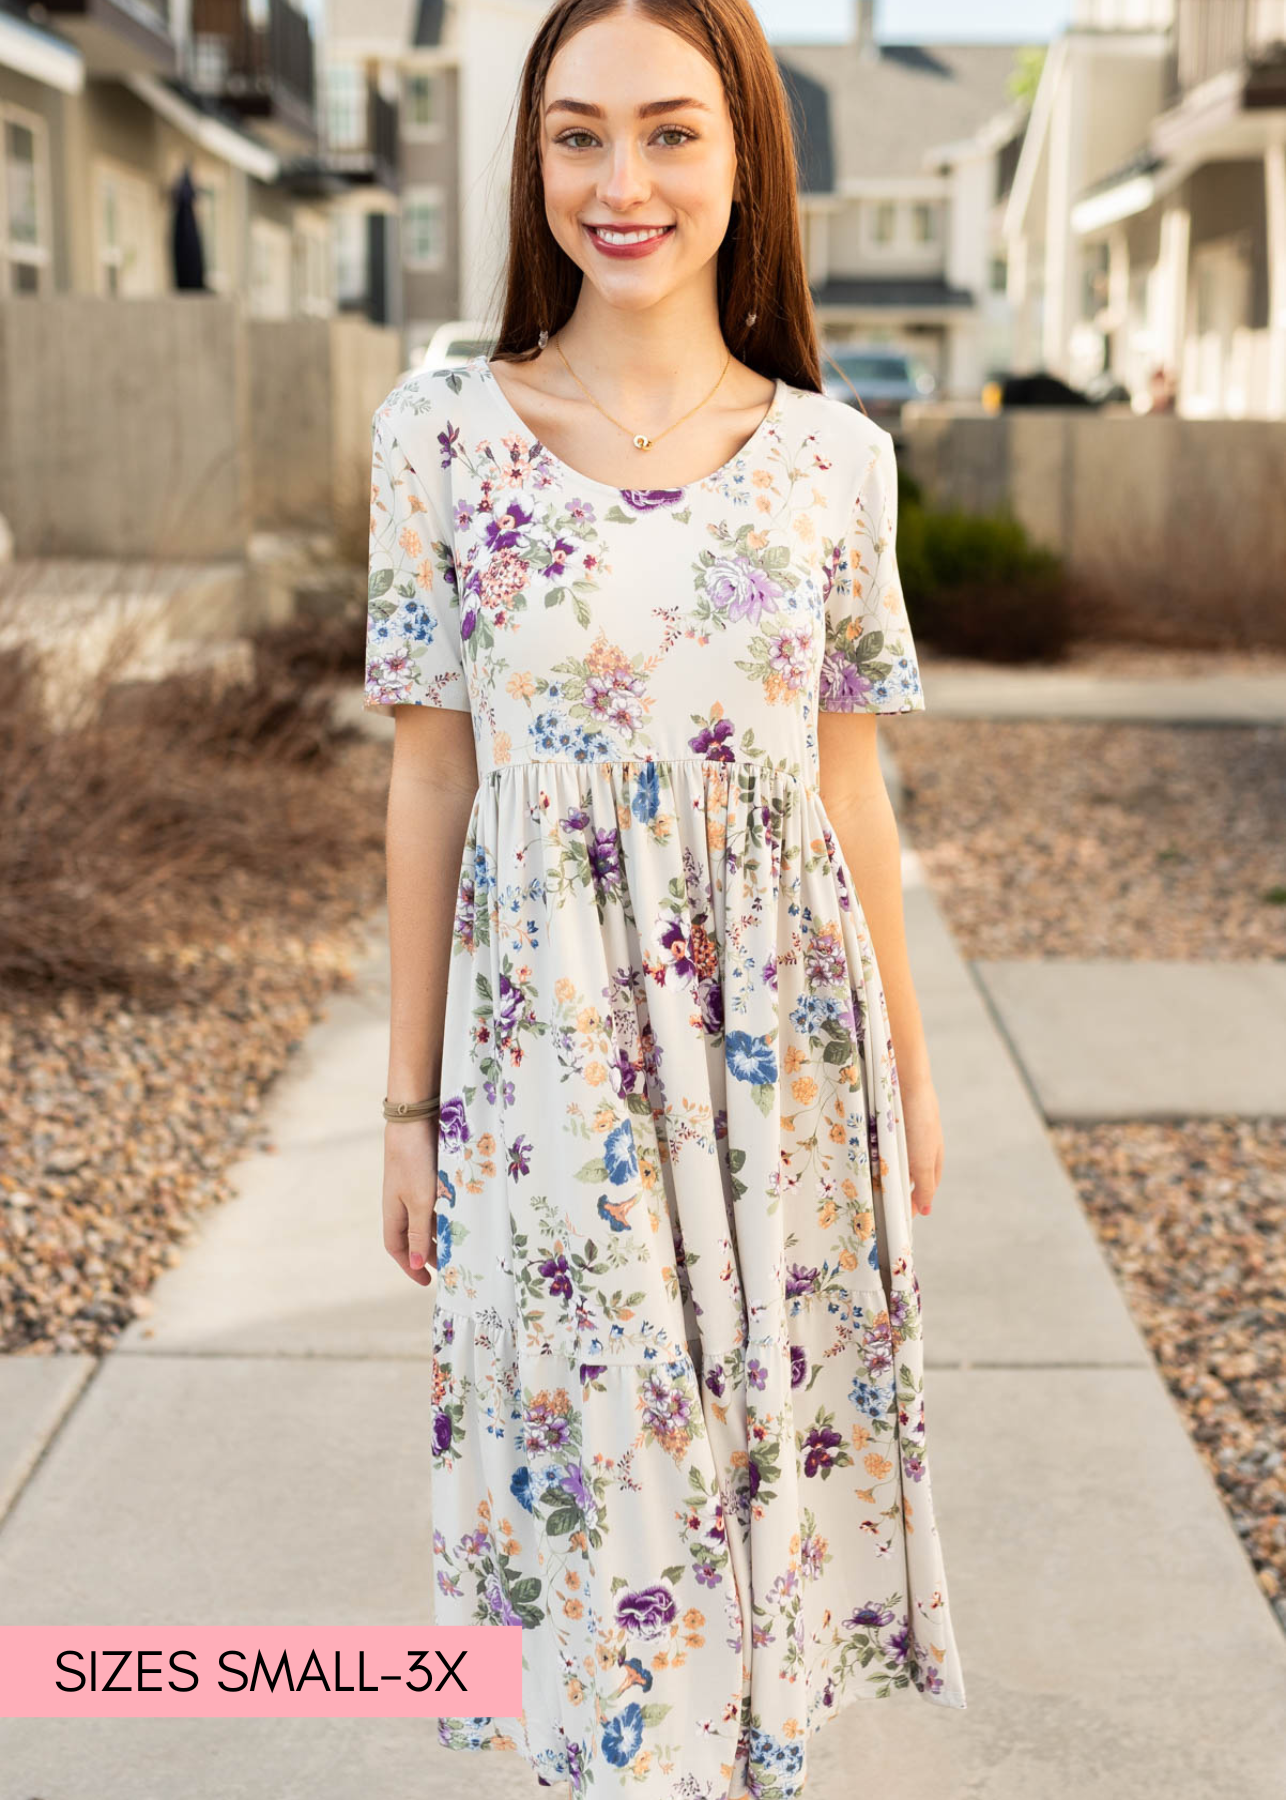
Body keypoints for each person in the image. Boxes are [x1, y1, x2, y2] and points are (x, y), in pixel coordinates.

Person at [363, 1, 966, 1792]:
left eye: (670, 131)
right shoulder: (441, 437)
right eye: (574, 134)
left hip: (790, 1059)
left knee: (754, 1502)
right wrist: (406, 1108)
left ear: (743, 155)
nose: (619, 182)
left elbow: (851, 791)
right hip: (546, 1048)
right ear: (531, 156)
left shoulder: (832, 460)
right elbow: (429, 775)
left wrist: (911, 1082)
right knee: (600, 1486)